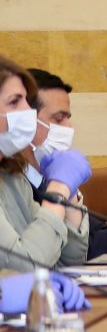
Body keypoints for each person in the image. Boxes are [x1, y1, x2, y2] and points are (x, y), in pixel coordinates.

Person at [0, 56, 92, 280]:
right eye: (14, 102)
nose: (26, 111)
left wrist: (69, 200)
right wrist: (58, 190)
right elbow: (23, 269)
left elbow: (65, 261)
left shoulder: (11, 176)